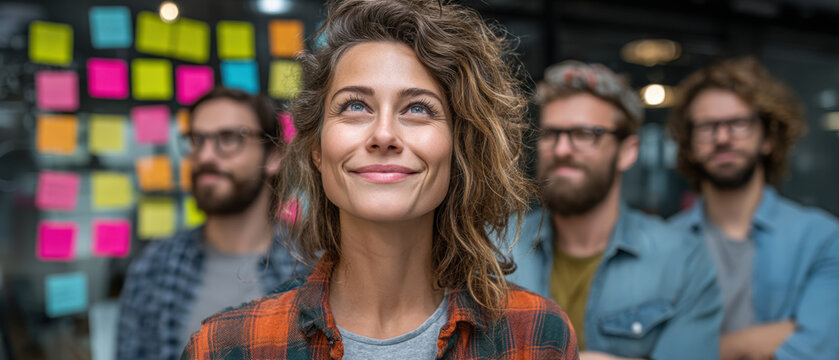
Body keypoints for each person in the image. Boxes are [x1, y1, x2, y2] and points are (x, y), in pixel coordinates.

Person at [182, 0, 579, 359]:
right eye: (355, 106)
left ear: (458, 149)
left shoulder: (534, 335)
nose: (384, 134)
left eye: (418, 108)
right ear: (317, 148)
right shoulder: (227, 347)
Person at [504, 62, 722, 360]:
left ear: (627, 151)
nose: (562, 149)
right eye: (551, 133)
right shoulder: (494, 250)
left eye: (585, 133)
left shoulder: (683, 260)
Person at [668, 57, 839, 360]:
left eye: (739, 124)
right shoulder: (662, 243)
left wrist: (694, 350)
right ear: (689, 145)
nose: (722, 138)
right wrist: (755, 342)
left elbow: (817, 351)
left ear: (768, 138)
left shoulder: (822, 238)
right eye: (707, 127)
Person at [117, 87, 305, 360]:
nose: (205, 156)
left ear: (274, 157)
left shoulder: (311, 266)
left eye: (229, 138)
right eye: (197, 140)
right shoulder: (154, 267)